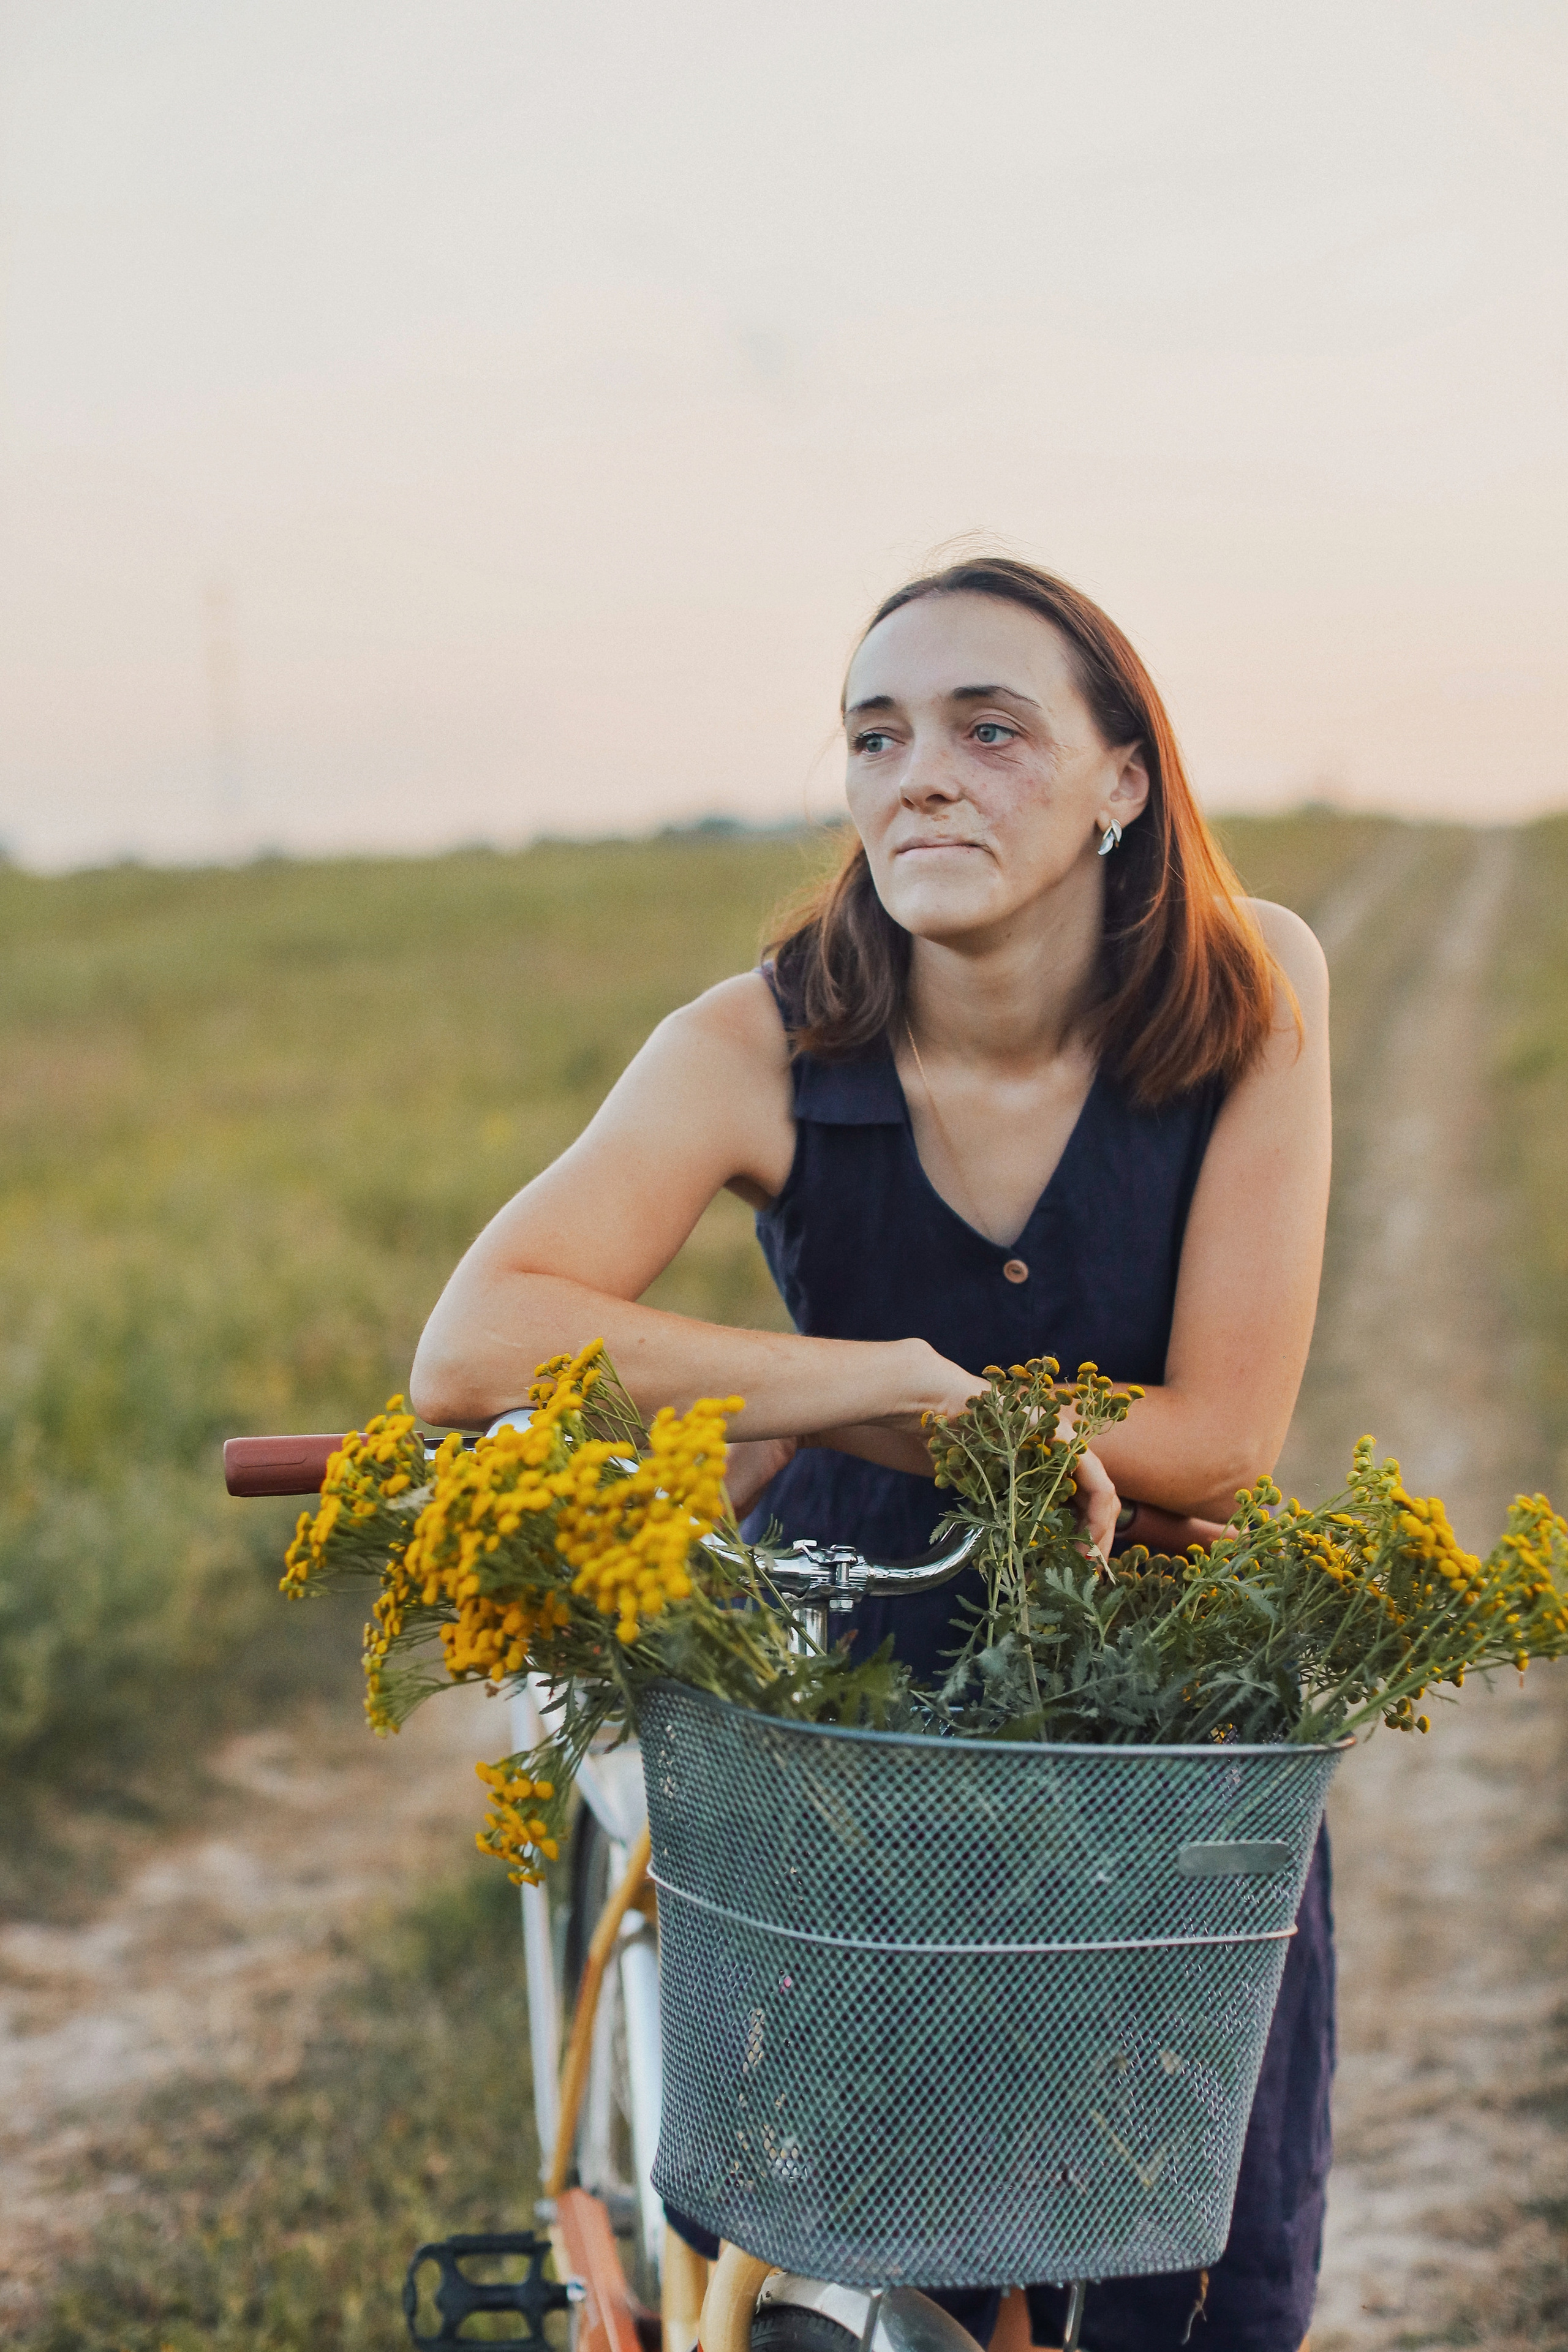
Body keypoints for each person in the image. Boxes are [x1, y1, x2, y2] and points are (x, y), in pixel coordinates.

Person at [412, 557, 1333, 2352]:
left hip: (1152, 1691)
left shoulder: (1248, 986)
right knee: (832, 2217)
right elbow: (477, 1339)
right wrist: (856, 1384)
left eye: (993, 730)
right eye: (876, 734)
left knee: (1191, 2253)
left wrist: (967, 1419)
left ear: (1121, 780)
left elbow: (1219, 1443)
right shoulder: (758, 1038)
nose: (920, 774)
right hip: (851, 1658)